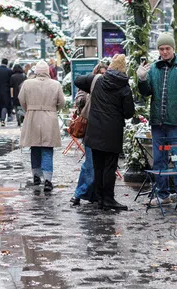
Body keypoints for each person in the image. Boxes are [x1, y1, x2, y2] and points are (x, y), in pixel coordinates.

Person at [136, 34, 177, 207]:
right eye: (161, 49)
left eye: (167, 48)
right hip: (158, 123)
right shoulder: (154, 68)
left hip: (176, 123)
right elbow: (146, 92)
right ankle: (163, 194)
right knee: (159, 160)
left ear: (173, 48)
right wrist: (142, 79)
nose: (164, 52)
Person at [84, 54, 135, 210]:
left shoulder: (98, 81)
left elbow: (78, 80)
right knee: (109, 167)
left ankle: (99, 198)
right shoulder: (124, 88)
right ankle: (108, 199)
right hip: (112, 133)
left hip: (94, 131)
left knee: (98, 166)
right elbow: (129, 113)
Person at [18, 62, 64, 192]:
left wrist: (29, 110)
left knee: (35, 147)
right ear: (48, 71)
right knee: (47, 148)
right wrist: (53, 109)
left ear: (36, 71)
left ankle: (36, 176)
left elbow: (21, 99)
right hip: (49, 117)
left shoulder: (27, 83)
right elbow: (62, 102)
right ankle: (48, 180)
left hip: (32, 117)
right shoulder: (55, 84)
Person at [70, 62, 107, 206]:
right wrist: (90, 95)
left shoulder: (108, 87)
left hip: (104, 129)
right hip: (90, 128)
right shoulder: (87, 86)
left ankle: (94, 194)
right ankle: (79, 193)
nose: (102, 77)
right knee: (90, 164)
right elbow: (79, 100)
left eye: (104, 74)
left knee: (101, 165)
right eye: (100, 74)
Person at [0, 58, 14, 125]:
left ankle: (2, 119)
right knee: (4, 105)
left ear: (1, 62)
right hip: (6, 91)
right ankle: (2, 120)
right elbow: (12, 82)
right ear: (7, 63)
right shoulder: (9, 71)